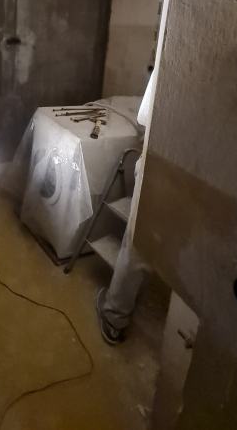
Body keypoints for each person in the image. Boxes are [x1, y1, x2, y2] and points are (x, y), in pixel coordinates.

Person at [95, 70, 155, 345]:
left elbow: (144, 116)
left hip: (160, 163)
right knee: (143, 244)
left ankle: (114, 316)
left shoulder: (176, 61)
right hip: (192, 172)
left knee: (137, 243)